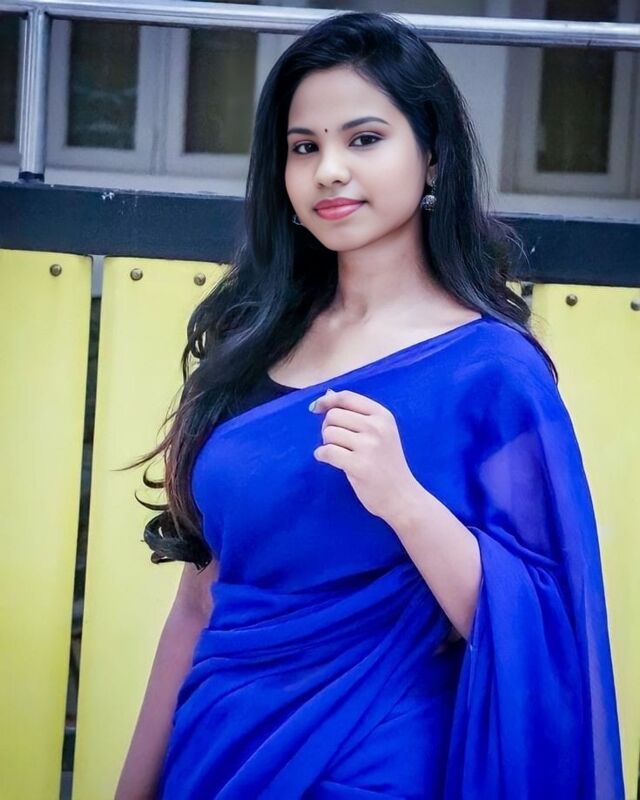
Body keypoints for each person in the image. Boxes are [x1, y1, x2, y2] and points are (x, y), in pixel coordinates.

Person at [115, 11, 625, 799]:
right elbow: (198, 602)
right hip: (214, 749)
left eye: (364, 139)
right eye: (303, 147)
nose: (329, 170)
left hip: (370, 763)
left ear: (432, 156)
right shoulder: (248, 343)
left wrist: (405, 502)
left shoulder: (492, 371)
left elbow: (539, 631)